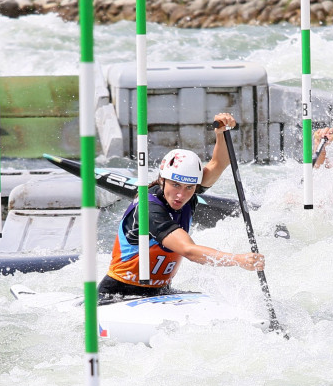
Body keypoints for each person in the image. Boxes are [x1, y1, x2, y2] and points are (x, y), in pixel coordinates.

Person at [98, 113, 266, 299]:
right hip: (119, 294)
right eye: (175, 185)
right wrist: (238, 260)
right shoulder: (149, 208)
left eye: (189, 187)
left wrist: (221, 132)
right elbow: (188, 251)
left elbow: (219, 163)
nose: (181, 195)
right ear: (162, 180)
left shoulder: (188, 192)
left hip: (160, 292)